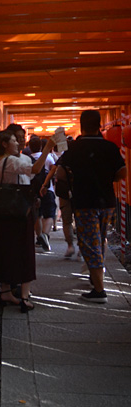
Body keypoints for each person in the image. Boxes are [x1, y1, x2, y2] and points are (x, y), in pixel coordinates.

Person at [57, 110, 126, 303]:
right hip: (107, 202)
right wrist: (106, 178)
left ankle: (99, 290)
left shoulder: (74, 148)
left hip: (85, 202)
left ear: (81, 125)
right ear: (99, 125)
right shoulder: (110, 147)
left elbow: (61, 174)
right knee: (100, 239)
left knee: (90, 243)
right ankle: (96, 278)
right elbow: (122, 172)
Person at [0, 129, 56, 313]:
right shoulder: (11, 161)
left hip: (1, 214)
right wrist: (48, 147)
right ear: (4, 144)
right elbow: (35, 169)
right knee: (25, 251)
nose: (18, 143)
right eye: (14, 141)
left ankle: (5, 291)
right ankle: (24, 296)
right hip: (17, 214)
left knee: (4, 252)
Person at [29, 136, 57, 251]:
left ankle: (39, 236)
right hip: (47, 189)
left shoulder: (28, 159)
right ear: (41, 147)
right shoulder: (48, 157)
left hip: (34, 190)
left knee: (38, 215)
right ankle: (45, 234)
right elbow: (54, 171)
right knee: (49, 214)